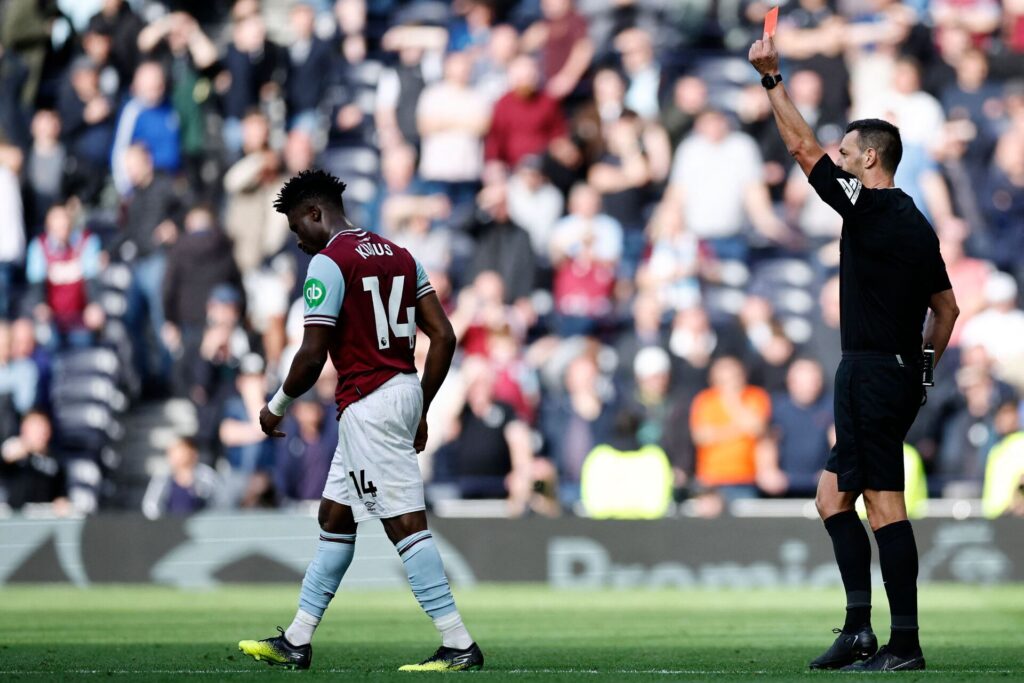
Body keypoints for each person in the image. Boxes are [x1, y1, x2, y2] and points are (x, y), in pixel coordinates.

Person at [750, 32, 959, 671]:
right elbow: (946, 309)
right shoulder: (917, 221)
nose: (835, 161)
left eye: (846, 153)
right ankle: (860, 631)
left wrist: (772, 81)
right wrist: (921, 371)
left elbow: (798, 145)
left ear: (870, 159)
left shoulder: (868, 209)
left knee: (884, 506)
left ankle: (904, 643)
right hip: (886, 373)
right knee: (831, 498)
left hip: (870, 373)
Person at [240, 170, 482, 671]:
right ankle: (298, 640)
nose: (297, 240)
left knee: (404, 525)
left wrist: (275, 407)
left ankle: (459, 643)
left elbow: (311, 356)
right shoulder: (401, 254)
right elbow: (445, 336)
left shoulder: (329, 264)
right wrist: (421, 405)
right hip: (394, 396)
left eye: (295, 227)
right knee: (335, 517)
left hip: (368, 402)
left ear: (314, 213)